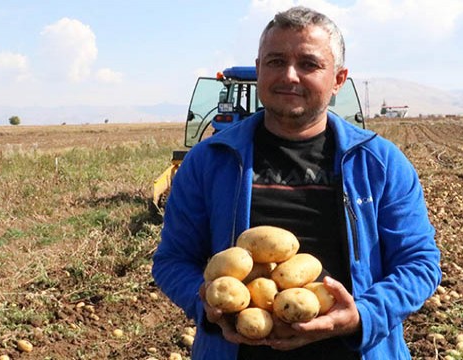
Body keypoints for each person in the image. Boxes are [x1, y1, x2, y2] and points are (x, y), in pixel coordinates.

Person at [152, 6, 441, 360]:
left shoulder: (380, 163)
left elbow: (420, 263)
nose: (289, 76)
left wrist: (361, 317)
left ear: (337, 79)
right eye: (275, 62)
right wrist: (207, 304)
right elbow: (172, 260)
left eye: (308, 64)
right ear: (259, 70)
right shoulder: (209, 161)